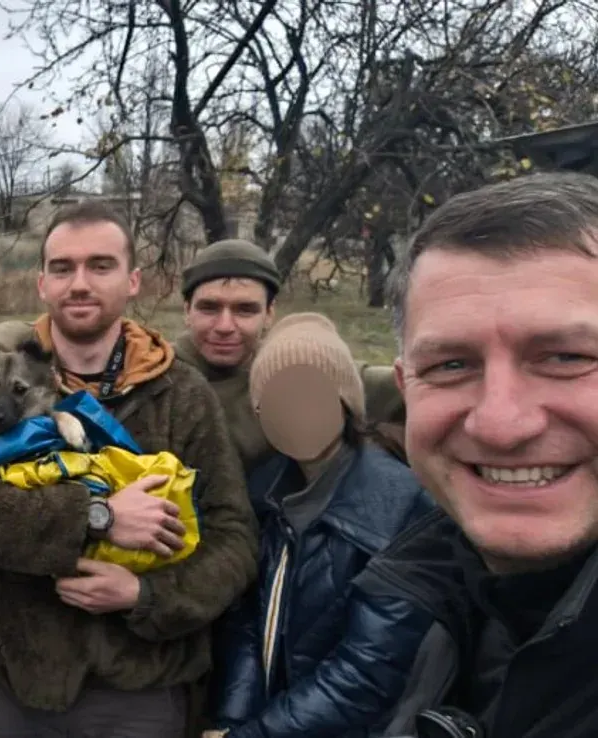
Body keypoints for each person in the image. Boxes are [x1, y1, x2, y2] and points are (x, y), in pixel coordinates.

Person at [0, 201, 258, 737]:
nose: (79, 283)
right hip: (18, 682)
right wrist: (91, 518)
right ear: (42, 284)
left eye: (100, 266)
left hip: (142, 687)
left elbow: (235, 539)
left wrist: (146, 597)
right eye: (62, 268)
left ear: (133, 281)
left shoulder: (182, 393)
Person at [361, 171, 598, 738]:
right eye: (451, 365)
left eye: (565, 357)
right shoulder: (441, 605)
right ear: (404, 386)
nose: (500, 424)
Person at [208, 313, 435, 738]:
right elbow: (248, 625)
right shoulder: (265, 492)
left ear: (346, 400)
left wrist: (253, 734)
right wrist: (231, 719)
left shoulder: (403, 504)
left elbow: (369, 668)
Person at [176, 239, 407, 468]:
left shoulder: (286, 367)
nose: (224, 326)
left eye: (245, 310)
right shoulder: (157, 378)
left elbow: (398, 386)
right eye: (209, 308)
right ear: (187, 311)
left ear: (269, 314)